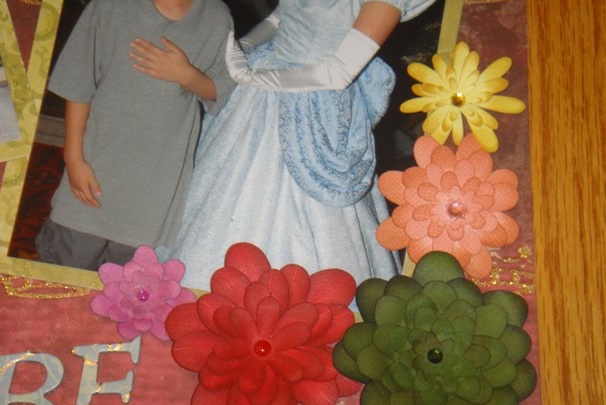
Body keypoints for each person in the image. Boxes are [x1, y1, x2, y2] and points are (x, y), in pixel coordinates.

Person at [155, 0, 437, 290]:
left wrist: (253, 75)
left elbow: (339, 72)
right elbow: (279, 18)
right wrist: (241, 49)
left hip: (314, 103)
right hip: (261, 86)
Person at [36, 0, 235, 270]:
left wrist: (187, 76)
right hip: (95, 171)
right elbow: (78, 82)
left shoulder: (216, 16)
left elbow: (221, 89)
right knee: (66, 267)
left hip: (154, 192)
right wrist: (73, 159)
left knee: (127, 283)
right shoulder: (110, 7)